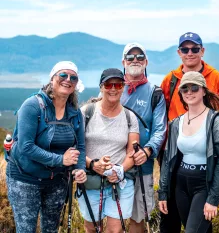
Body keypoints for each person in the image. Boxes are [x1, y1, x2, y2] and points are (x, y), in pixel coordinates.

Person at [159, 32, 219, 232]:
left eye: (194, 88)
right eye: (185, 89)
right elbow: (168, 155)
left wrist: (214, 198)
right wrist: (163, 192)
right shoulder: (176, 119)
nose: (189, 92)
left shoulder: (215, 116)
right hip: (179, 178)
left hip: (204, 180)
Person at [6, 61, 87, 233]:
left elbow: (79, 145)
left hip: (57, 180)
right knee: (26, 229)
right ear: (52, 78)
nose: (68, 80)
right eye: (63, 75)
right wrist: (61, 160)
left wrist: (80, 169)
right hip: (25, 177)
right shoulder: (32, 105)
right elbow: (25, 147)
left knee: (51, 230)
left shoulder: (75, 112)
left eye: (73, 77)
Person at [77, 68, 140, 233]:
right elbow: (76, 147)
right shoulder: (86, 112)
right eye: (108, 84)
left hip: (119, 182)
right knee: (92, 228)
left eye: (118, 85)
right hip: (90, 180)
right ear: (101, 87)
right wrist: (93, 164)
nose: (113, 88)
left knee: (115, 230)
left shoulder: (129, 117)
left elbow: (132, 152)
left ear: (123, 87)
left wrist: (120, 170)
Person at [120, 42, 167, 233]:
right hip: (115, 164)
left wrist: (148, 151)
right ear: (123, 61)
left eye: (140, 57)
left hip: (143, 166)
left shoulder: (155, 93)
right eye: (130, 57)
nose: (135, 60)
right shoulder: (112, 87)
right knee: (114, 217)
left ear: (146, 62)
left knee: (137, 219)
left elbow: (160, 130)